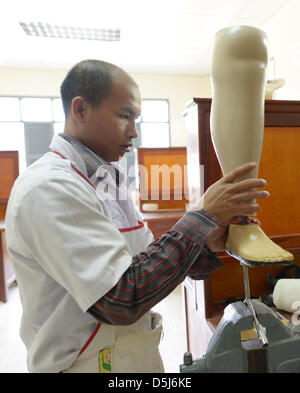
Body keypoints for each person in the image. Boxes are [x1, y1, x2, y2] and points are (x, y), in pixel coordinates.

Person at [5, 59, 269, 373]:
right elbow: (122, 297)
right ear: (80, 110)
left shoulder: (108, 180)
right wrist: (201, 215)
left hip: (129, 358)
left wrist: (207, 237)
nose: (134, 132)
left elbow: (145, 268)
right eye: (124, 116)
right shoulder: (50, 188)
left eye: (137, 119)